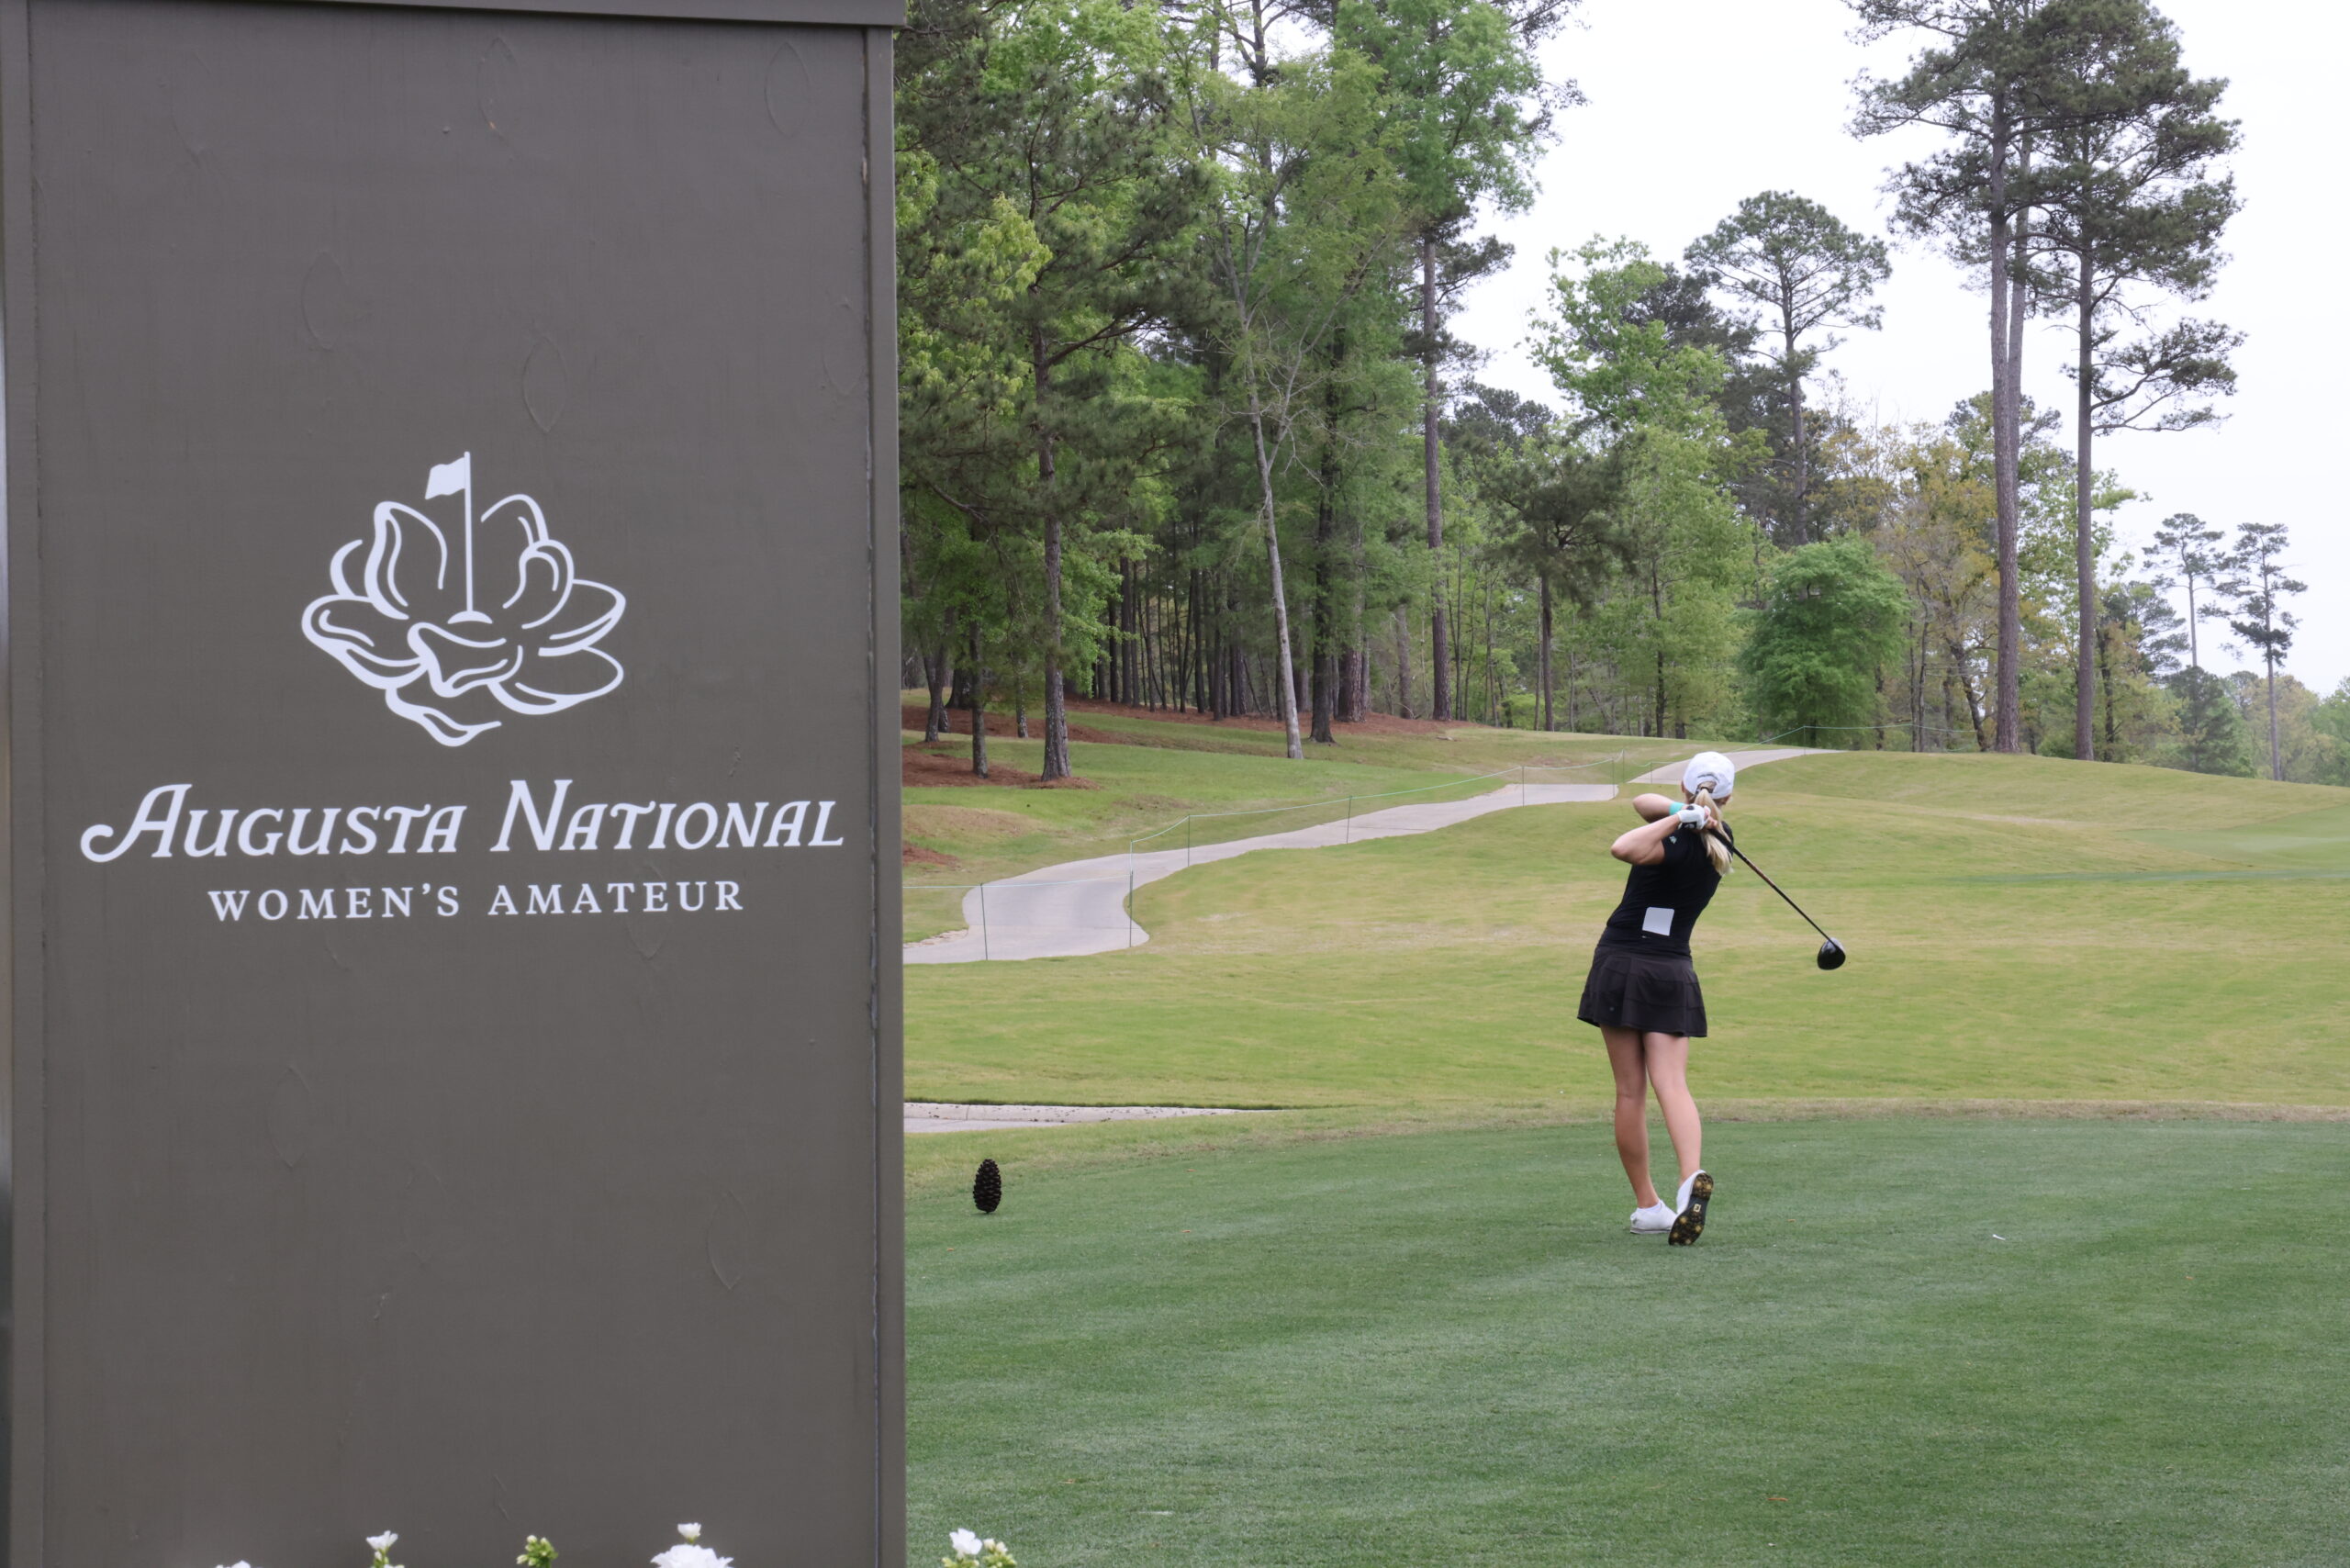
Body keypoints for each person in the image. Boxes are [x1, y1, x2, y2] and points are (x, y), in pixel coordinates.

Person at [1576, 751, 1738, 1246]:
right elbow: (1641, 801)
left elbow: (1622, 846)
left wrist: (1680, 818)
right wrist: (1686, 814)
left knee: (1631, 1091)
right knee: (1673, 1084)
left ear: (1688, 788)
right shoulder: (1723, 842)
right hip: (1671, 968)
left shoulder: (1675, 845)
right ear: (1728, 798)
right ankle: (1690, 1178)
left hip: (1623, 962)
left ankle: (1649, 1204)